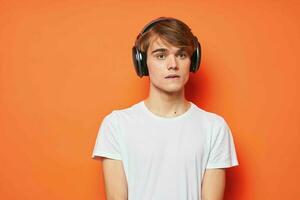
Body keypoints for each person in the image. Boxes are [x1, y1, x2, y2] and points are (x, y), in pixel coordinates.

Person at [92, 16, 239, 200]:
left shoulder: (214, 127)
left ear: (192, 62)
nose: (173, 65)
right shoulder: (116, 125)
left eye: (181, 55)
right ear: (142, 62)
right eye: (161, 55)